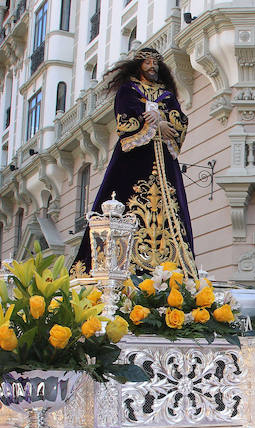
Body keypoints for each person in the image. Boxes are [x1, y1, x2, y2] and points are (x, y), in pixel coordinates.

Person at [73, 48, 195, 276]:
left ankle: (172, 264)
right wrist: (152, 124)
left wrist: (165, 121)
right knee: (125, 200)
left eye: (155, 63)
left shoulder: (166, 94)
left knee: (171, 210)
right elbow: (125, 121)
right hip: (134, 160)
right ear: (138, 65)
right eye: (148, 63)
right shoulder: (128, 90)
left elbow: (180, 120)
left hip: (163, 161)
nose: (152, 67)